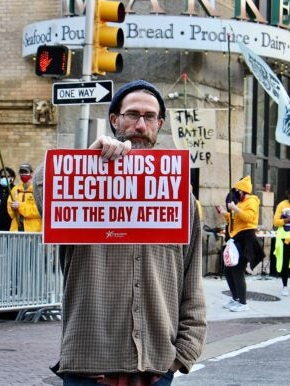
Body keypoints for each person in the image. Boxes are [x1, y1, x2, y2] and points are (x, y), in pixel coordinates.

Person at [33, 80, 206, 384]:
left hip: (153, 366)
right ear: (114, 120)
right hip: (90, 364)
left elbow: (191, 281)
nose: (140, 125)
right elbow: (41, 187)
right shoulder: (82, 183)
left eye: (149, 116)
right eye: (132, 114)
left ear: (159, 124)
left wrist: (182, 354)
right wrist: (86, 161)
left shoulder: (180, 195)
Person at [216, 175, 262, 312]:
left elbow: (249, 218)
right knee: (228, 269)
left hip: (246, 238)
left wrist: (235, 208)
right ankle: (235, 298)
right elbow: (235, 219)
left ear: (242, 191)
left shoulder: (252, 201)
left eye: (238, 191)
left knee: (237, 269)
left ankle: (243, 302)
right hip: (237, 238)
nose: (236, 194)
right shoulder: (241, 203)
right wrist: (225, 212)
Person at [7, 163, 42, 232]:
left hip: (33, 231)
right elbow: (9, 210)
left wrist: (20, 206)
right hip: (16, 229)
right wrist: (12, 208)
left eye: (26, 172)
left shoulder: (37, 190)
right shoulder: (15, 189)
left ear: (31, 173)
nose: (23, 174)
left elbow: (39, 211)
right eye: (21, 172)